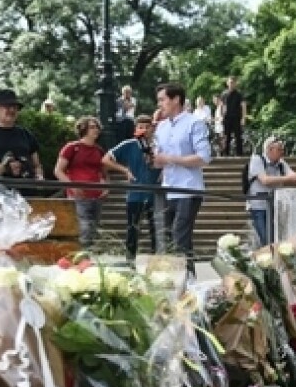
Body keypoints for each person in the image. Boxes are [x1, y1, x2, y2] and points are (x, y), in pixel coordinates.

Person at [153, 82, 212, 274]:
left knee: (179, 237)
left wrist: (169, 158)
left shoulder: (195, 122)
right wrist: (154, 159)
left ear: (176, 99)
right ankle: (186, 281)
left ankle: (186, 281)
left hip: (189, 189)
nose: (159, 104)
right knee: (171, 239)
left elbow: (204, 157)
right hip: (167, 188)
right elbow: (157, 161)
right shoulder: (161, 127)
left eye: (162, 100)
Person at [55, 116, 129, 250]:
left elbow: (103, 172)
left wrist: (106, 186)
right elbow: (58, 170)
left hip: (96, 195)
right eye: (92, 127)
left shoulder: (99, 150)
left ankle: (88, 256)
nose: (96, 130)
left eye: (97, 127)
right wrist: (71, 186)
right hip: (78, 195)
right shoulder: (72, 147)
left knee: (93, 227)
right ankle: (81, 255)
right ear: (84, 129)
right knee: (84, 226)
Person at [103, 114, 161, 261]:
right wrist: (125, 170)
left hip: (155, 194)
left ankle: (157, 259)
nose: (145, 130)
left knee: (157, 229)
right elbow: (105, 159)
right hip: (135, 194)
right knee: (132, 229)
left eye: (148, 127)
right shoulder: (128, 144)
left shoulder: (158, 145)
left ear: (152, 129)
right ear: (136, 129)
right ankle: (130, 260)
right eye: (141, 127)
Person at [246, 136, 296, 246]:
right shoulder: (257, 160)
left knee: (276, 239)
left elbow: (294, 176)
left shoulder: (281, 163)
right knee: (265, 239)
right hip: (259, 207)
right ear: (270, 150)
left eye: (282, 149)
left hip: (276, 206)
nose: (282, 152)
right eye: (279, 149)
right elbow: (265, 180)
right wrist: (287, 179)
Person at [220, 77, 247, 156]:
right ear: (227, 83)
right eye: (230, 82)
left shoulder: (239, 94)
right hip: (227, 118)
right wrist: (221, 115)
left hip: (236, 117)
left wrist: (243, 118)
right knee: (226, 137)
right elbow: (222, 106)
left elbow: (243, 105)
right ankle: (226, 154)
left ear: (235, 84)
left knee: (238, 136)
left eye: (233, 82)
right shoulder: (224, 94)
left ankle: (240, 154)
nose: (231, 84)